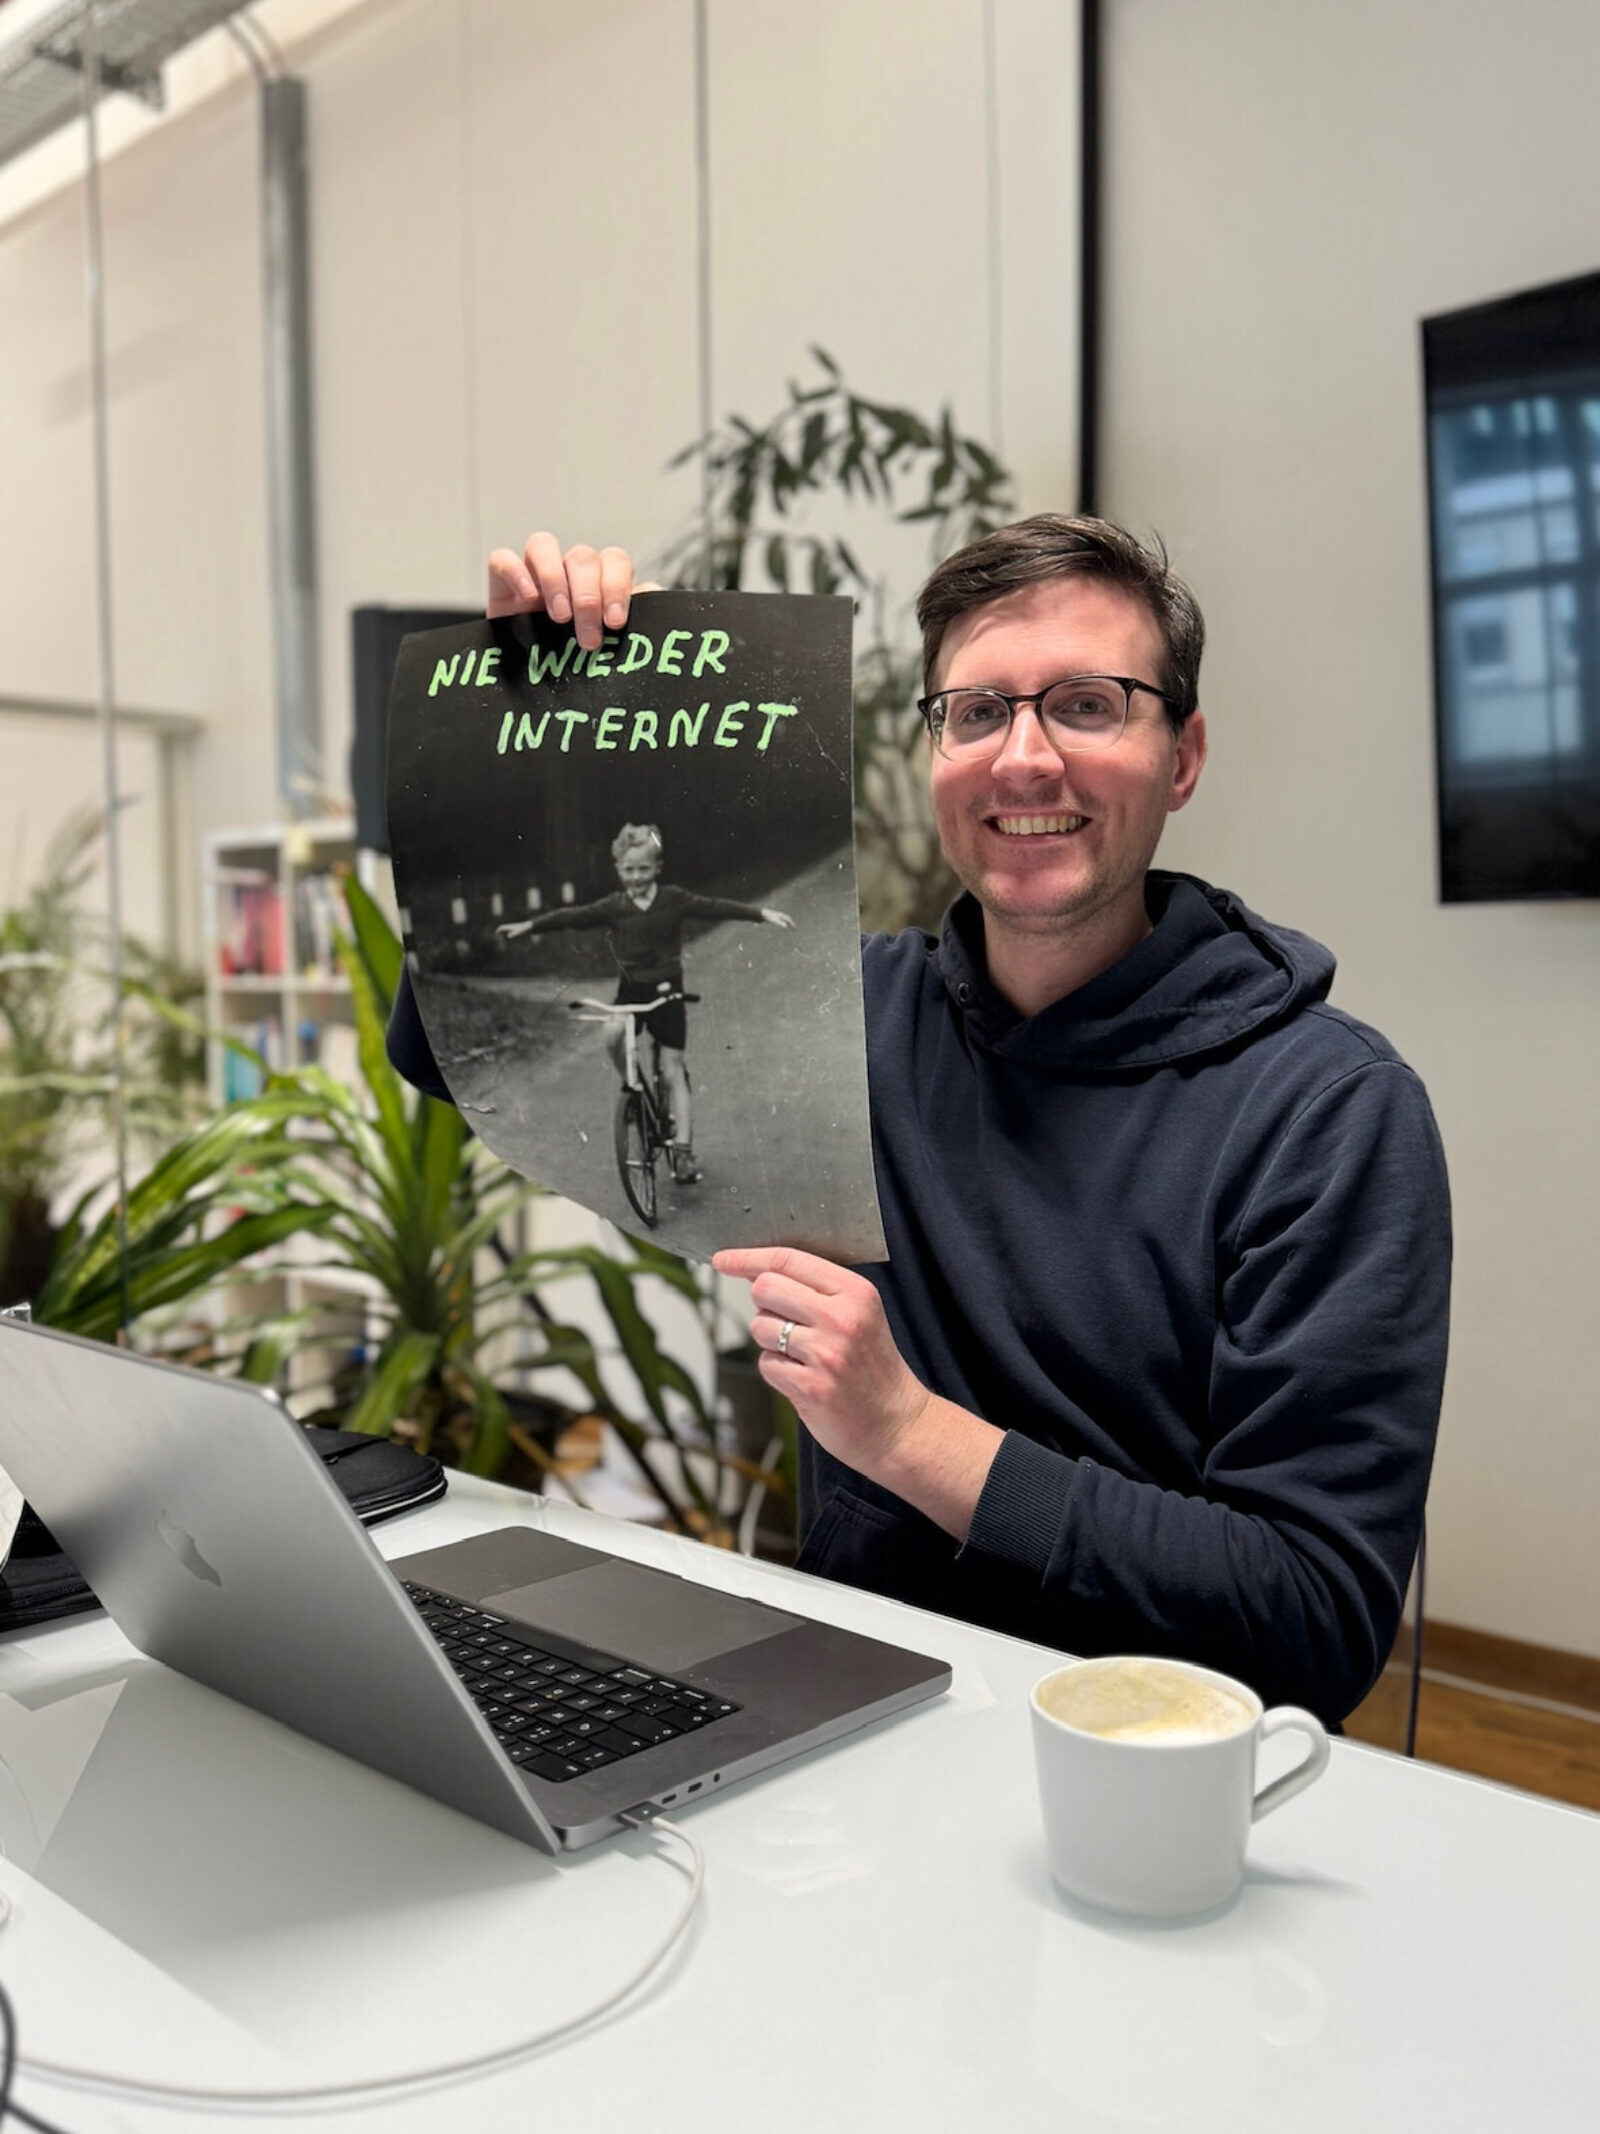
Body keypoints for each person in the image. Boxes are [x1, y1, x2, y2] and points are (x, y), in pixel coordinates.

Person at [389, 521, 1451, 1726]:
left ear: (1183, 754)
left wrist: (906, 1433)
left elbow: (1314, 1620)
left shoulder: (1327, 1110)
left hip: (1160, 1779)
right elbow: (455, 1043)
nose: (1025, 758)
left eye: (1089, 705)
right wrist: (528, 744)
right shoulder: (842, 1021)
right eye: (977, 711)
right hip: (847, 1725)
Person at [495, 819, 795, 1181]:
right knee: (611, 1036)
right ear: (618, 870)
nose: (636, 876)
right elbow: (573, 917)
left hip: (668, 992)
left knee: (672, 1070)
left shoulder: (673, 900)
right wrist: (528, 926)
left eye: (643, 869)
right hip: (631, 991)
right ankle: (632, 1087)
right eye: (629, 870)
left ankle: (683, 1152)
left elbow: (715, 907)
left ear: (657, 868)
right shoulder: (614, 905)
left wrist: (762, 914)